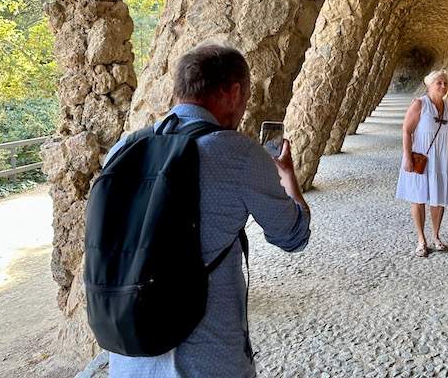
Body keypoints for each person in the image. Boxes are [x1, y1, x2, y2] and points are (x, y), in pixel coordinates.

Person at [108, 44, 311, 378]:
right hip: (205, 359)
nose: (243, 108)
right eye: (245, 97)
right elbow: (292, 236)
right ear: (232, 91)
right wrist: (288, 178)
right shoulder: (238, 152)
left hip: (128, 353)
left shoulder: (125, 147)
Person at [396, 69, 448, 257]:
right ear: (429, 85)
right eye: (439, 83)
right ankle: (421, 240)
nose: (443, 86)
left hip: (441, 159)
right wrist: (407, 157)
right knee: (418, 197)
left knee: (438, 199)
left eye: (445, 83)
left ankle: (436, 236)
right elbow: (406, 130)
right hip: (421, 158)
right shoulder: (420, 104)